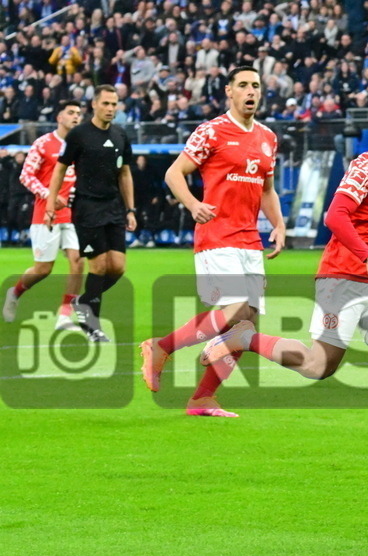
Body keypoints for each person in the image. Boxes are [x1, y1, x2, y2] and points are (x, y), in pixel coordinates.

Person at [201, 102, 368, 470]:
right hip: (342, 280)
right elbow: (335, 215)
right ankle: (244, 338)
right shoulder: (366, 167)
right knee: (319, 366)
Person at [139, 66, 286, 418]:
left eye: (255, 86)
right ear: (229, 91)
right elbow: (174, 173)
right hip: (216, 234)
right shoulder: (212, 131)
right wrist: (193, 204)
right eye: (243, 85)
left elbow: (267, 189)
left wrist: (279, 224)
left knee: (246, 325)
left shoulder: (268, 137)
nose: (251, 91)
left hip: (249, 239)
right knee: (235, 308)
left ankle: (203, 398)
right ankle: (161, 347)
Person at [45, 85, 136, 342]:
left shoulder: (120, 135)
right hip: (87, 208)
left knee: (117, 267)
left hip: (113, 207)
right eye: (105, 103)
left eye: (114, 104)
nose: (110, 108)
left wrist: (130, 209)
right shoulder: (79, 135)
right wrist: (51, 205)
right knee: (99, 264)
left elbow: (125, 173)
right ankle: (91, 324)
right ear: (94, 104)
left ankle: (83, 300)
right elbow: (60, 169)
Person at [3, 100, 83, 329]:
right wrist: (49, 195)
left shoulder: (81, 145)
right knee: (43, 269)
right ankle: (15, 292)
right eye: (71, 112)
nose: (76, 117)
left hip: (72, 213)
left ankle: (64, 315)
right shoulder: (43, 143)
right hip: (46, 213)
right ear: (59, 117)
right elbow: (26, 176)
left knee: (78, 261)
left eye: (78, 113)